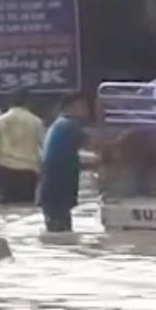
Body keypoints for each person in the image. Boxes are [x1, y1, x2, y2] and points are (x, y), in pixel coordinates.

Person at [0, 88, 44, 204]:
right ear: (29, 102)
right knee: (25, 208)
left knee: (8, 206)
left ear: (10, 102)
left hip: (7, 169)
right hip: (29, 171)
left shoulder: (0, 121)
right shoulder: (37, 122)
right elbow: (44, 145)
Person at [38, 92, 91, 233]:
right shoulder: (69, 126)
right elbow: (94, 146)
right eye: (82, 106)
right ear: (71, 107)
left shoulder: (59, 125)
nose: (86, 110)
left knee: (58, 230)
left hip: (51, 190)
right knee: (61, 230)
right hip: (57, 190)